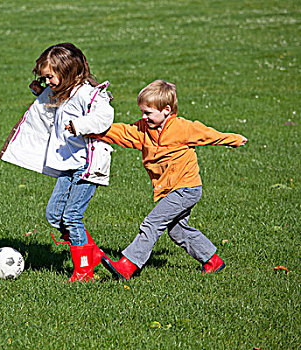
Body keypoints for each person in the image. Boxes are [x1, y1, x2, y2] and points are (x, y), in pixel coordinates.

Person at [88, 79, 247, 280]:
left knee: (151, 223)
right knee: (178, 231)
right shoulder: (143, 130)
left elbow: (208, 135)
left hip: (186, 188)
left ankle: (128, 265)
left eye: (148, 112)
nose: (143, 117)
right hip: (170, 190)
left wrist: (233, 140)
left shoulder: (182, 128)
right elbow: (122, 133)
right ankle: (212, 261)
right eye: (142, 112)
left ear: (166, 110)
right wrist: (89, 128)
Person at [0, 43, 115, 282]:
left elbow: (105, 115)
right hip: (68, 165)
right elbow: (52, 107)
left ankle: (84, 270)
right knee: (54, 215)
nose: (47, 81)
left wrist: (80, 126)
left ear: (68, 71)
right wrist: (39, 92)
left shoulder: (87, 93)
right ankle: (91, 252)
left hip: (87, 163)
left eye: (50, 76)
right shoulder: (64, 93)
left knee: (72, 216)